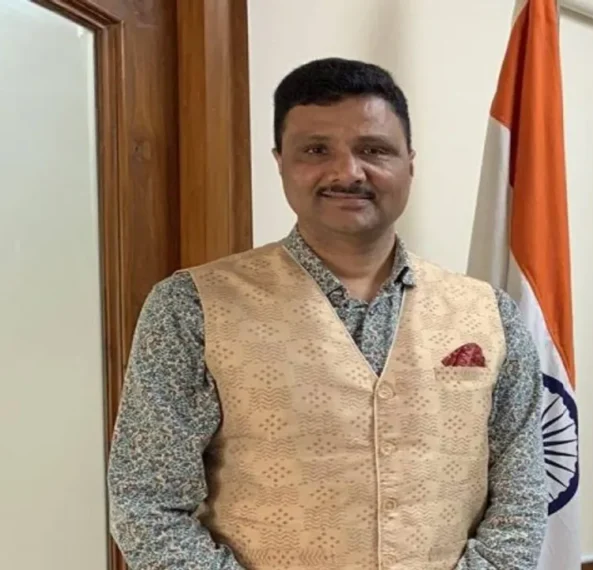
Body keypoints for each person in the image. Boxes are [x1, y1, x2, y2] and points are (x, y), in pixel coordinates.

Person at [107, 56, 547, 570]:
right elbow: (147, 504)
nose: (347, 172)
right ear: (280, 162)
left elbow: (521, 496)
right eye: (316, 150)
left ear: (409, 162)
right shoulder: (192, 307)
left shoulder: (489, 314)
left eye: (374, 149)